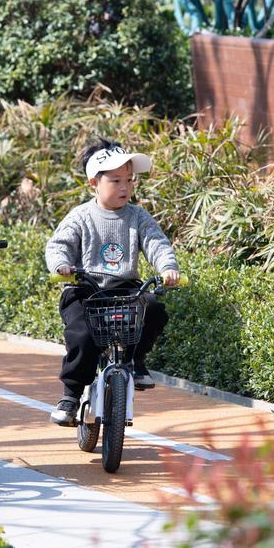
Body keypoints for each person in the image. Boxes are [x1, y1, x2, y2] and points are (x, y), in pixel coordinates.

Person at [45, 139, 181, 426]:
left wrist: (167, 268)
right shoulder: (81, 216)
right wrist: (61, 265)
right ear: (94, 182)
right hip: (84, 287)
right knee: (82, 336)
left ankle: (134, 360)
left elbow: (156, 243)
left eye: (129, 180)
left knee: (154, 309)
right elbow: (58, 245)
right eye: (116, 180)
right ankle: (71, 395)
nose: (125, 187)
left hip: (124, 288)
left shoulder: (137, 216)